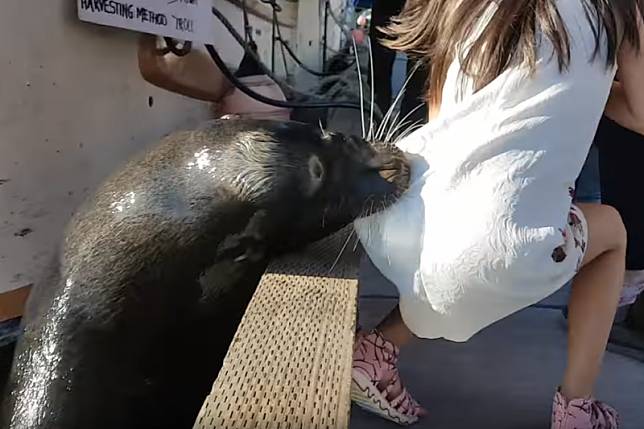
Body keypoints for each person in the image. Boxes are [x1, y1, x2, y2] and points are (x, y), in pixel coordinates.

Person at [350, 1, 644, 428]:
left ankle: (377, 350)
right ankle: (578, 406)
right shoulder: (617, 8)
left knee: (465, 236)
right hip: (492, 258)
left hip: (390, 221)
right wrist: (587, 84)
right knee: (612, 232)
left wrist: (563, 81)